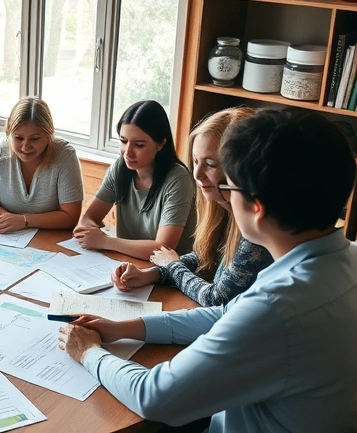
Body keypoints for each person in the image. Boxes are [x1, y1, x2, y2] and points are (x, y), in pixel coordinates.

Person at [54, 109, 357, 433]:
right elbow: (225, 314)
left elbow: (153, 397)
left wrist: (89, 352)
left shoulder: (280, 307)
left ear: (256, 208)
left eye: (229, 187)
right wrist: (128, 327)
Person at [110, 108, 272, 307]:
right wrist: (150, 274)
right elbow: (205, 255)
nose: (197, 174)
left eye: (211, 163)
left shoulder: (255, 230)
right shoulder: (224, 209)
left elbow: (217, 299)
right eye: (195, 161)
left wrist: (172, 265)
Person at [74, 100, 196, 259]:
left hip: (169, 273)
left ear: (161, 144)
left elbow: (163, 249)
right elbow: (88, 218)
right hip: (127, 262)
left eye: (138, 145)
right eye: (123, 141)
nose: (127, 153)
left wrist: (105, 241)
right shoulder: (119, 168)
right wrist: (90, 232)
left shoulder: (178, 179)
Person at [0, 97, 83, 232]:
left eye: (35, 139)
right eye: (18, 138)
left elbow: (71, 216)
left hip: (50, 236)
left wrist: (24, 220)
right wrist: (7, 219)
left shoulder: (65, 155)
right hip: (6, 234)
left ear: (49, 136)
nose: (25, 147)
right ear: (8, 134)